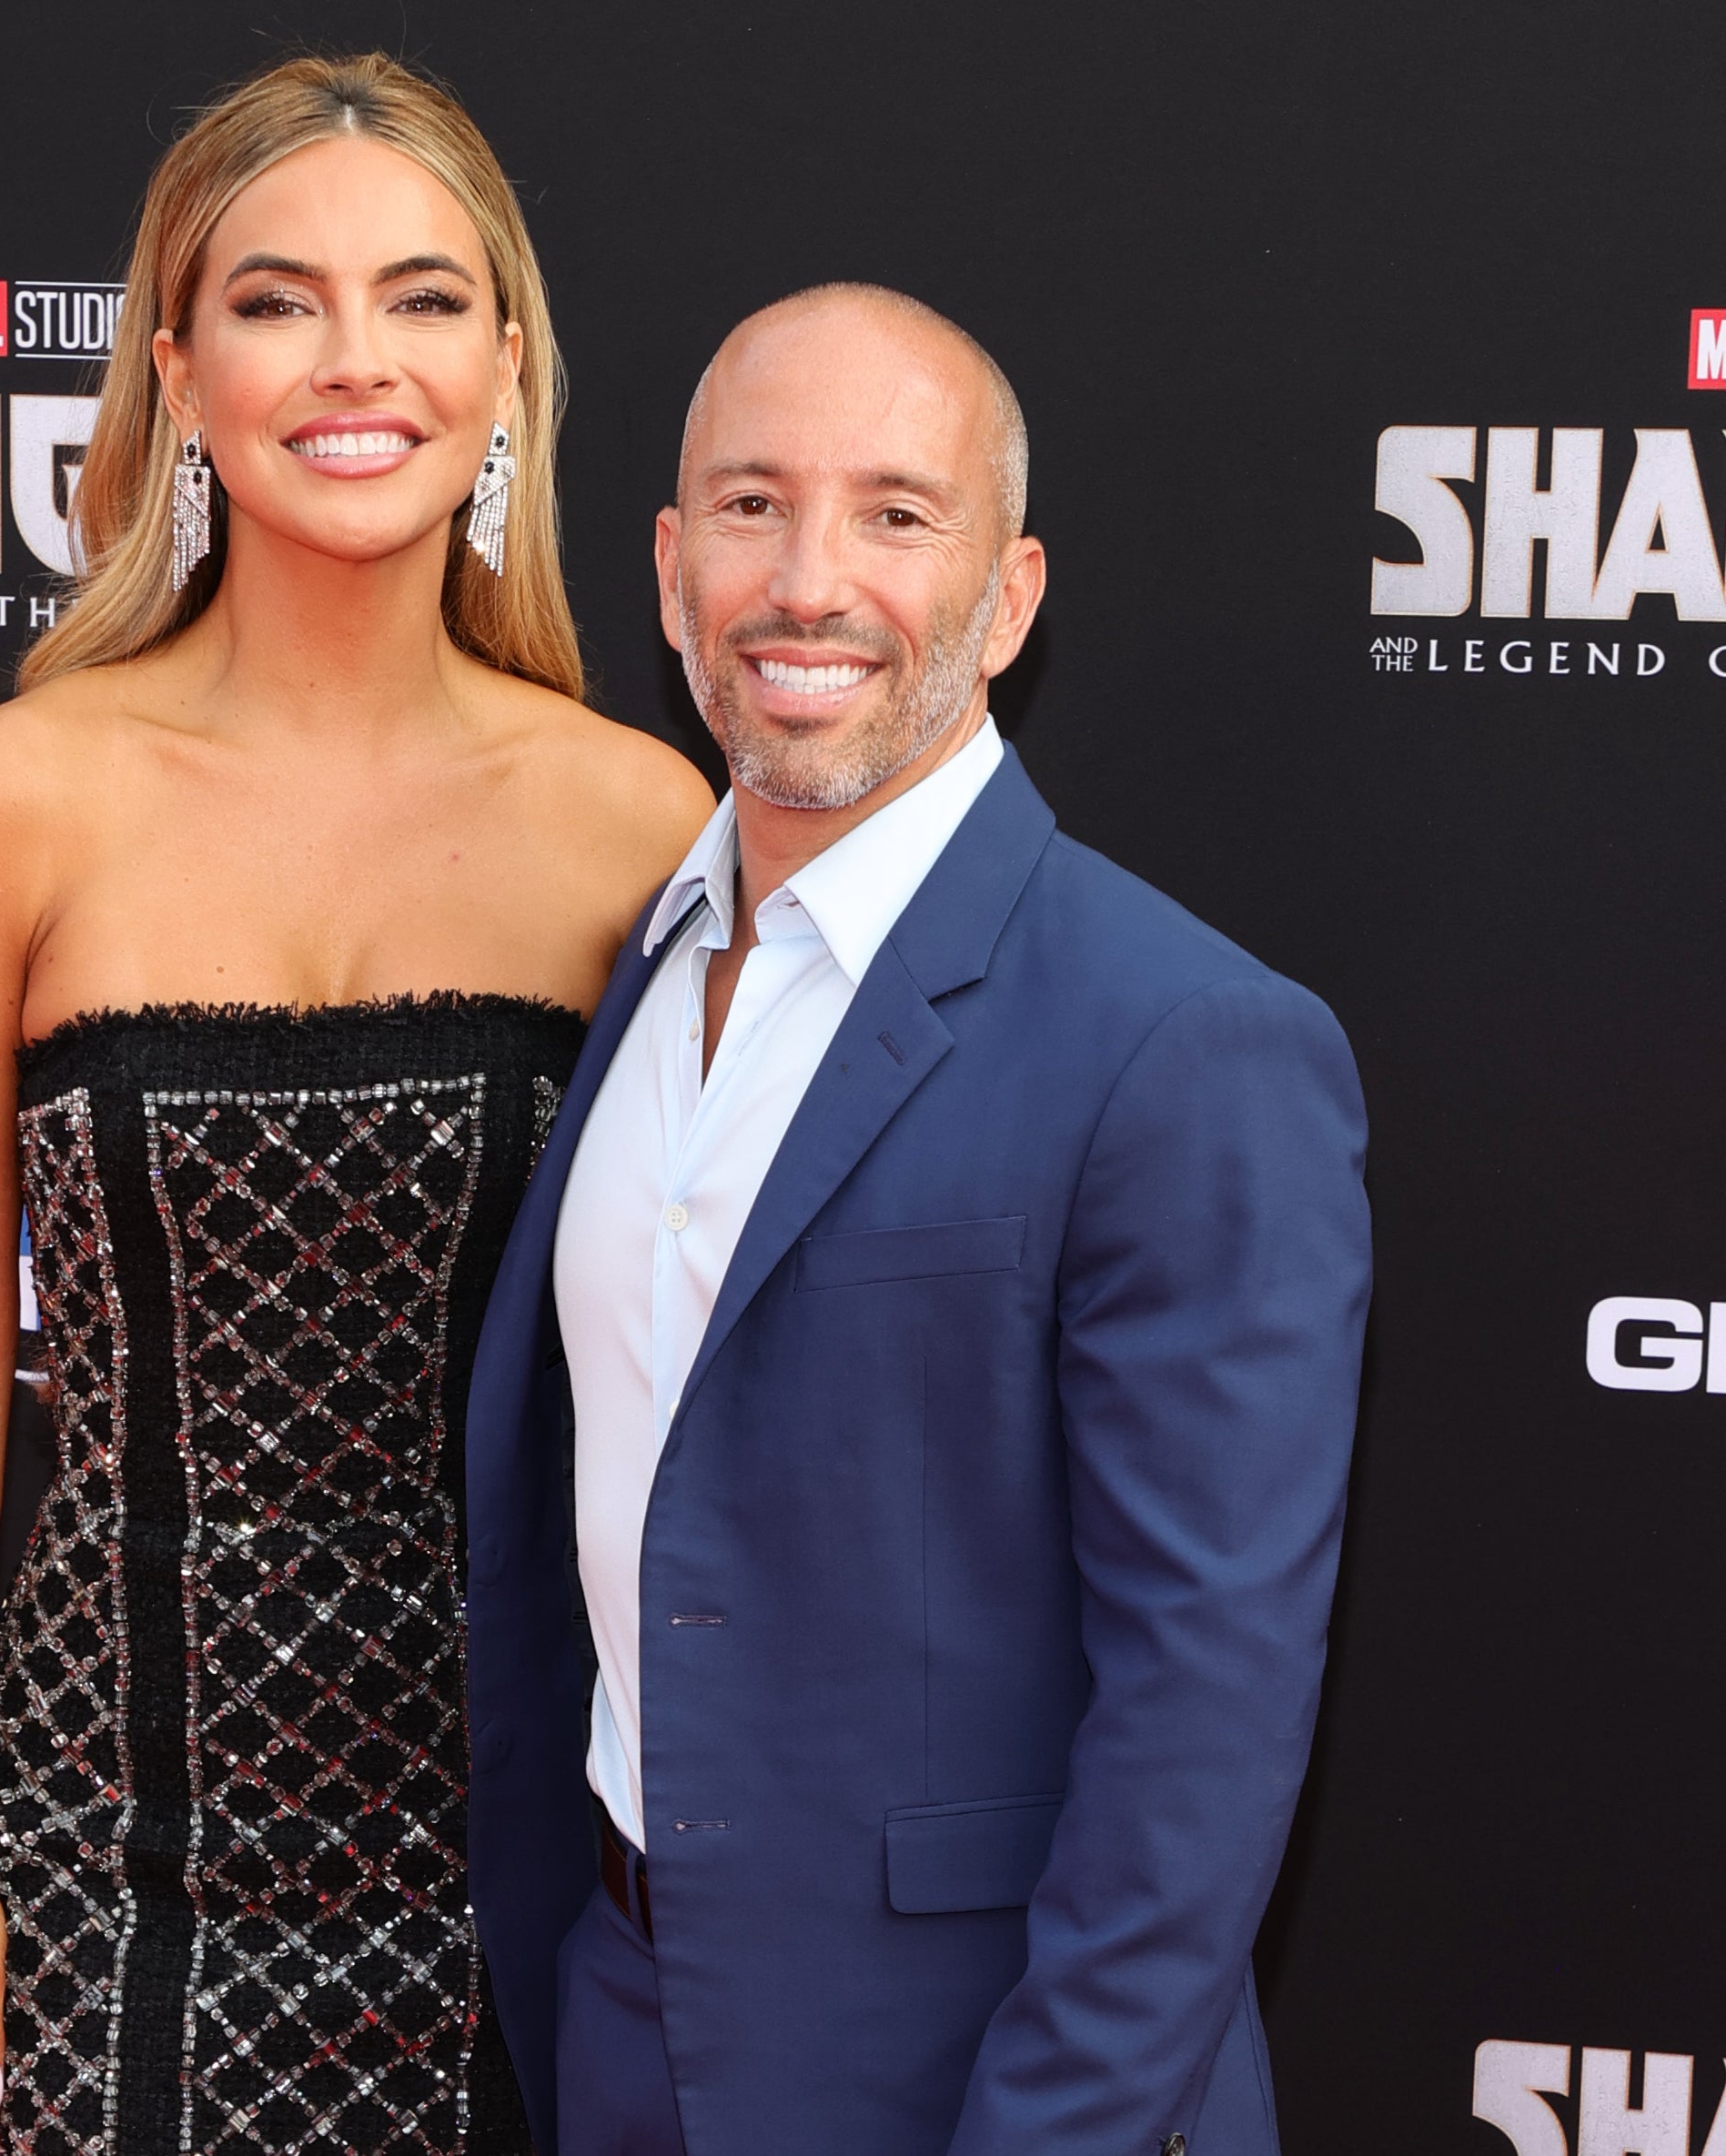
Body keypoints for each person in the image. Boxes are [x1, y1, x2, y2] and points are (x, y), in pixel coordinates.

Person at [0, 54, 712, 2156]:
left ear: (508, 367)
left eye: (425, 299)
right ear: (177, 369)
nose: (358, 361)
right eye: (276, 298)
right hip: (96, 1841)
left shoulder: (639, 824)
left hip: (512, 1861)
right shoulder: (9, 796)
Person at [463, 285, 1372, 2156]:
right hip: (623, 2026)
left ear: (1011, 594)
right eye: (749, 505)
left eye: (896, 514)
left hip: (979, 2079)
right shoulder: (642, 960)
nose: (809, 581)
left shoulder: (1188, 1043)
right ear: (664, 566)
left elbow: (1201, 1727)